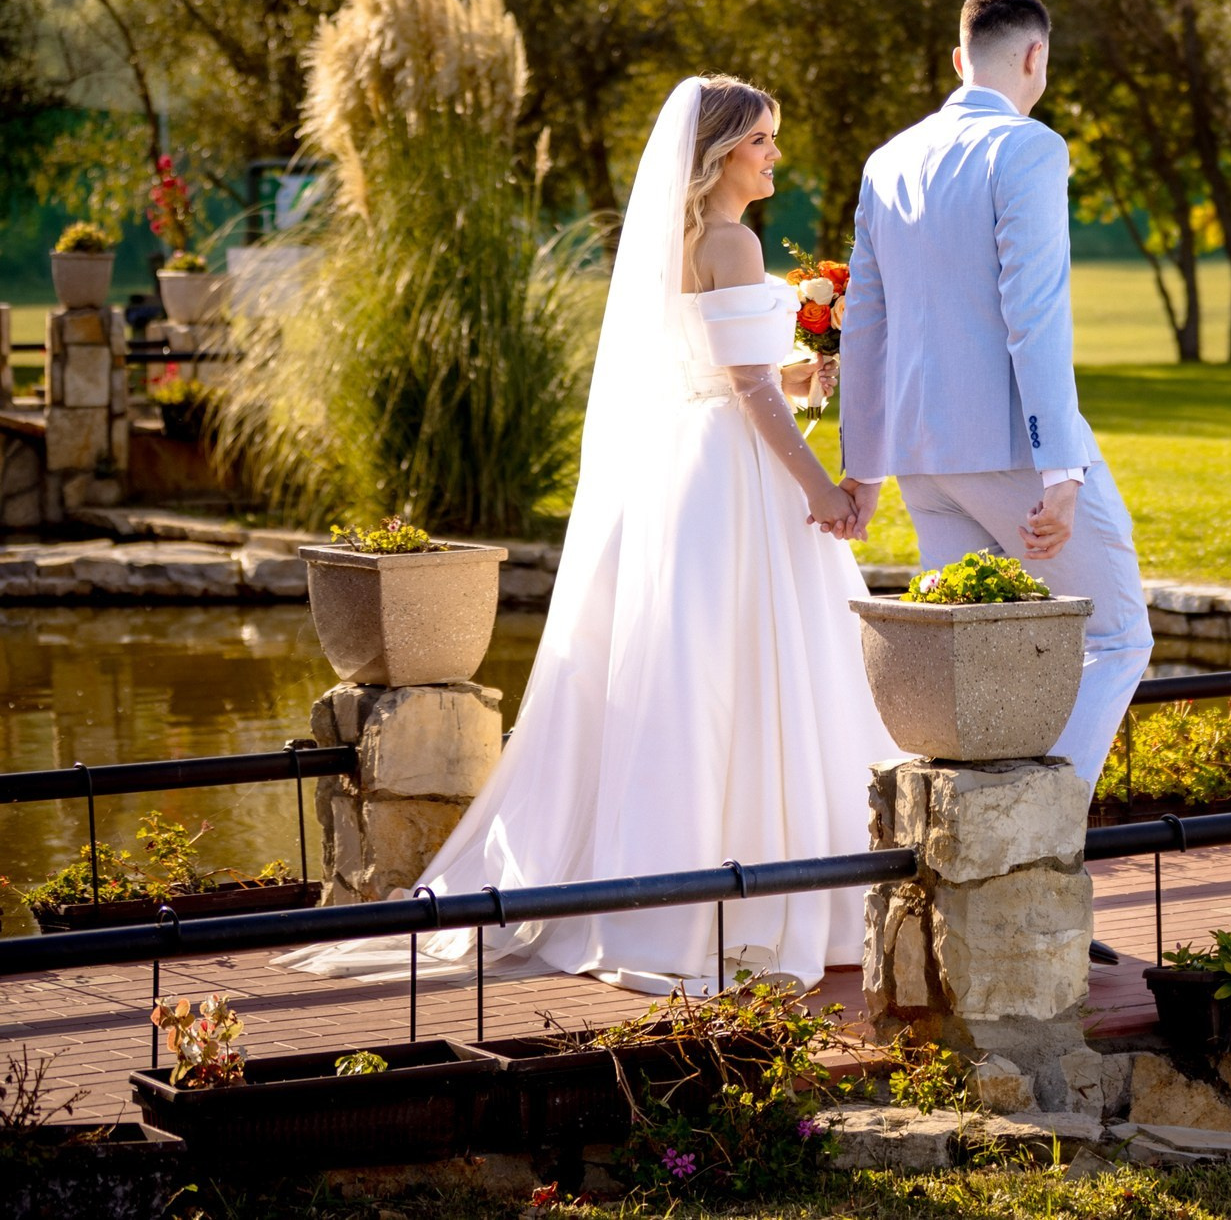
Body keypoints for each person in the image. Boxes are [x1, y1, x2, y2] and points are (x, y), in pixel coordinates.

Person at [280, 76, 898, 994]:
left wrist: (806, 375)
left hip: (695, 470)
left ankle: (689, 878)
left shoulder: (683, 243)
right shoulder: (731, 241)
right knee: (763, 663)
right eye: (761, 139)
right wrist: (823, 489)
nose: (775, 154)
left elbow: (729, 370)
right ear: (719, 152)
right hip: (739, 472)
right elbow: (746, 387)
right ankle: (776, 892)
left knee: (701, 669)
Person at [837, 0, 1153, 792]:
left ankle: (987, 842)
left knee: (973, 661)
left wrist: (863, 466)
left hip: (921, 459)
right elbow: (1034, 315)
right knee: (1117, 636)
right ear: (1036, 56)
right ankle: (1042, 827)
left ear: (960, 58)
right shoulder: (1029, 147)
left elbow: (865, 322)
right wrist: (1063, 469)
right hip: (1013, 451)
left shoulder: (888, 159)